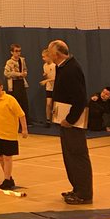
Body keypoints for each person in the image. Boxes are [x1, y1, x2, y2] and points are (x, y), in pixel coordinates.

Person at [47, 39, 92, 205]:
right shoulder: (62, 67)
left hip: (72, 121)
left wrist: (70, 119)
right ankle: (77, 188)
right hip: (64, 119)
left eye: (50, 52)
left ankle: (84, 193)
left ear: (57, 54)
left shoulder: (72, 69)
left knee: (78, 155)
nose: (48, 55)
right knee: (69, 156)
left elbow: (80, 98)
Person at [0, 76, 28, 190]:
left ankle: (7, 180)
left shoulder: (10, 99)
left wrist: (24, 129)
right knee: (0, 157)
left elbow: (21, 114)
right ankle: (8, 177)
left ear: (1, 87)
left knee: (8, 157)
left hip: (9, 135)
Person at [3, 44, 29, 120]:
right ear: (12, 52)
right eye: (16, 51)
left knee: (24, 102)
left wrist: (24, 73)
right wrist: (18, 74)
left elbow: (25, 69)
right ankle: (15, 119)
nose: (18, 53)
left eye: (19, 51)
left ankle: (25, 119)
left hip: (21, 82)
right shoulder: (9, 62)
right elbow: (6, 73)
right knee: (15, 102)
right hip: (14, 83)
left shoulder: (22, 60)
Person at [40, 48, 55, 126]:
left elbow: (56, 78)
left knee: (56, 104)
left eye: (44, 57)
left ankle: (57, 120)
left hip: (56, 87)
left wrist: (46, 81)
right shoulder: (45, 65)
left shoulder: (55, 65)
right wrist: (45, 76)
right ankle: (48, 120)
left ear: (49, 56)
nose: (43, 59)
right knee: (48, 103)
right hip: (49, 88)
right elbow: (48, 76)